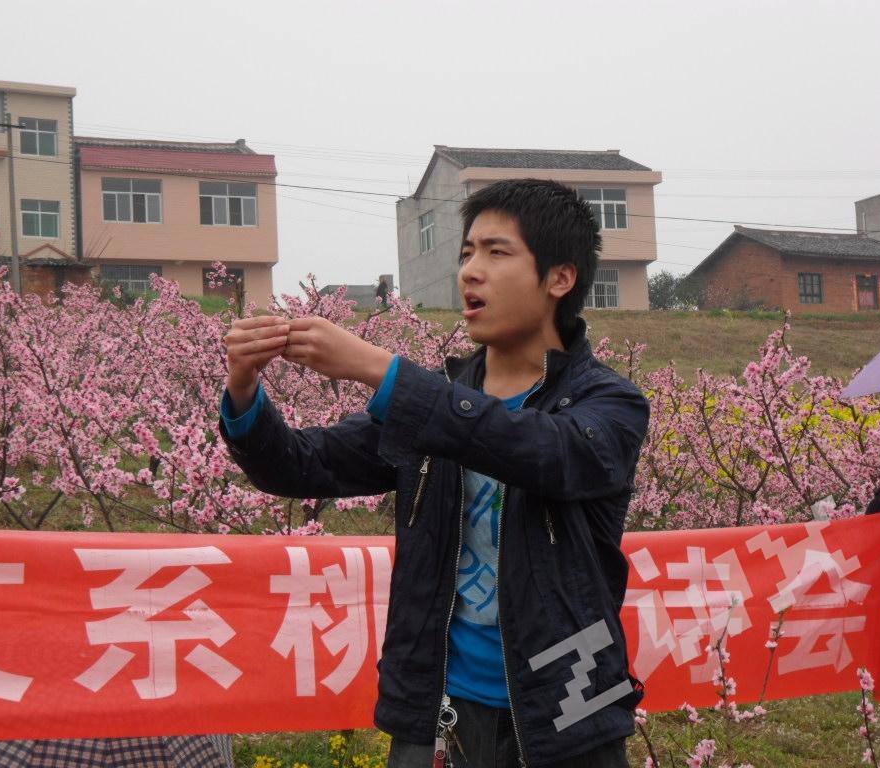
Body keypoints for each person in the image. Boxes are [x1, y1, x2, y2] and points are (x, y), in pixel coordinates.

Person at [221, 179, 649, 767]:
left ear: (560, 278)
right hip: (434, 708)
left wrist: (382, 371)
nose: (471, 270)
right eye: (467, 252)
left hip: (568, 715)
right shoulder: (431, 403)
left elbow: (547, 453)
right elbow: (302, 463)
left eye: (496, 252)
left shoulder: (609, 404)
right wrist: (243, 389)